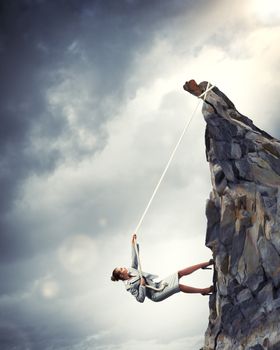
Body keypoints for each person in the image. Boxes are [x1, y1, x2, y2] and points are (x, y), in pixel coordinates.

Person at [111, 234, 214, 303]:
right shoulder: (129, 287)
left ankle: (205, 264)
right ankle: (204, 290)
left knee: (179, 273)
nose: (124, 268)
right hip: (156, 293)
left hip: (158, 285)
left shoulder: (131, 270)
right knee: (179, 286)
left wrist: (132, 243)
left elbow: (134, 258)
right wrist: (142, 286)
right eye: (121, 269)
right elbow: (140, 299)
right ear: (121, 275)